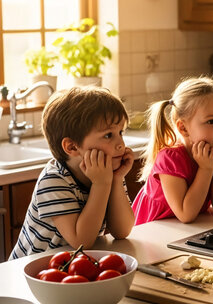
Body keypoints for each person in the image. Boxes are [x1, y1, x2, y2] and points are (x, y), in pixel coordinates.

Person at [10, 87, 135, 259]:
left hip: (68, 267)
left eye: (120, 132)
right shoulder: (54, 180)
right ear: (72, 147)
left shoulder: (105, 174)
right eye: (108, 135)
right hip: (31, 274)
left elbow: (122, 231)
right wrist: (101, 184)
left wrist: (117, 178)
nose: (121, 143)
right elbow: (81, 242)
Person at [132, 76, 213, 225]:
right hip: (148, 236)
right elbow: (185, 214)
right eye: (211, 121)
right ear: (183, 127)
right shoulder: (170, 158)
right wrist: (206, 169)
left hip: (181, 234)